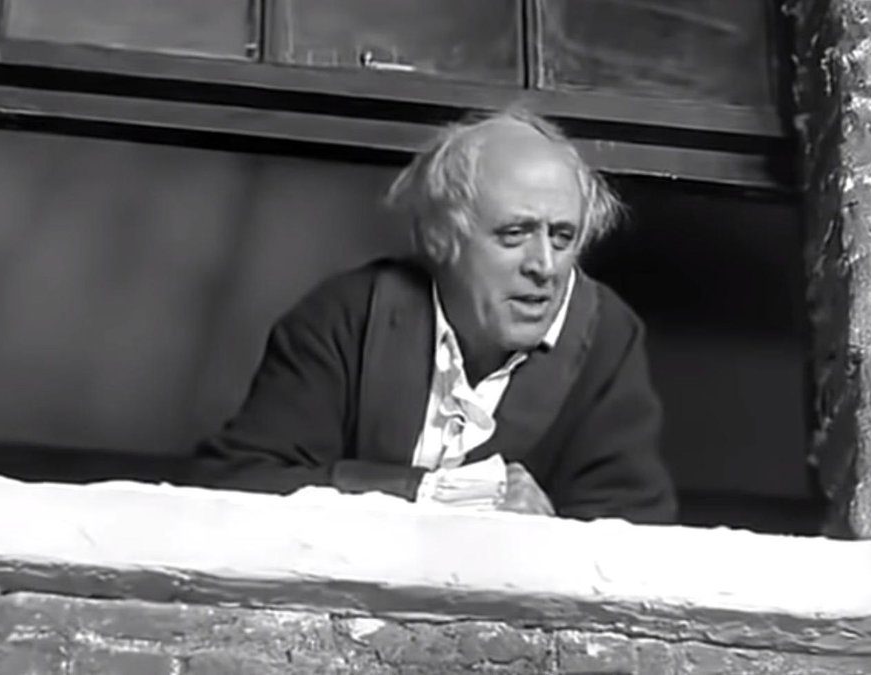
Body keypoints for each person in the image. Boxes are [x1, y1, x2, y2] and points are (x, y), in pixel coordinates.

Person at [193, 107, 676, 524]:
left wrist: (543, 533)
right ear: (440, 237)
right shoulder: (349, 315)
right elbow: (237, 482)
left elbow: (632, 536)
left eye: (562, 237)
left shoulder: (605, 332)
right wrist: (433, 495)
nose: (544, 266)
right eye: (514, 234)